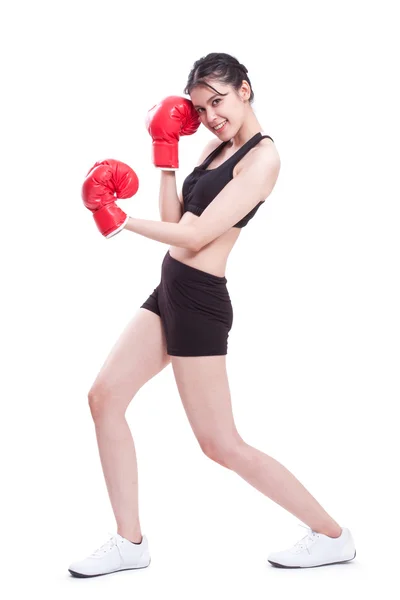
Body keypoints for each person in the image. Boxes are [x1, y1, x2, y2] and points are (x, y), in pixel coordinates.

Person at [69, 52, 356, 577]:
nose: (209, 115)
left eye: (217, 101)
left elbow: (199, 237)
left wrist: (117, 220)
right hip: (169, 288)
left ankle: (332, 535)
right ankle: (129, 542)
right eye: (200, 107)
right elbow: (176, 219)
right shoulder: (211, 146)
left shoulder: (261, 159)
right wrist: (165, 154)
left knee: (220, 444)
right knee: (104, 397)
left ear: (245, 90)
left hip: (201, 300)